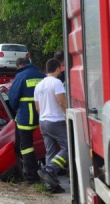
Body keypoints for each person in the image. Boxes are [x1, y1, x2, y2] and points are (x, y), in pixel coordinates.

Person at [9, 57, 46, 184]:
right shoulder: (42, 75)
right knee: (48, 144)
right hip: (43, 115)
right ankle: (48, 172)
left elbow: (13, 98)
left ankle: (32, 177)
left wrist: (17, 111)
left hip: (26, 116)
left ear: (19, 65)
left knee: (25, 147)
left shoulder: (20, 76)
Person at [34, 58, 68, 193]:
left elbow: (37, 107)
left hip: (43, 122)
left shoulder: (39, 85)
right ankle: (50, 169)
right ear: (58, 69)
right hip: (56, 121)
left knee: (51, 151)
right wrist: (67, 116)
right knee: (68, 148)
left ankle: (51, 185)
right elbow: (62, 102)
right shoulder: (57, 82)